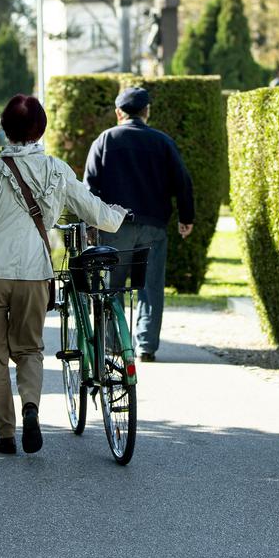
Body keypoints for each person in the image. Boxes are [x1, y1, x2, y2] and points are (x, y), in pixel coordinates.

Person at [0, 95, 127, 456]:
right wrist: (117, 215)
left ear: (6, 129)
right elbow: (95, 212)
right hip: (33, 271)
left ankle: (5, 434)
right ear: (41, 129)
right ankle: (31, 408)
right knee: (29, 348)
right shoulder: (57, 170)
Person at [83, 87, 194, 362]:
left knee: (112, 286)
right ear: (147, 111)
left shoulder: (105, 140)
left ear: (118, 112)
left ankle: (113, 344)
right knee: (151, 287)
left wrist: (91, 224)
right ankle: (146, 346)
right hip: (154, 226)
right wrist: (186, 217)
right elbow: (183, 181)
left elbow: (90, 187)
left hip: (115, 226)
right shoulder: (163, 141)